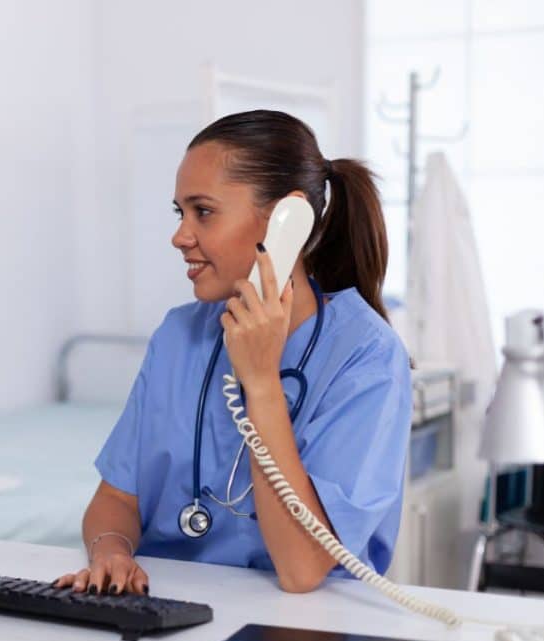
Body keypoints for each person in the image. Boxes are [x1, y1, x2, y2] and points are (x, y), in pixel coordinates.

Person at [54, 110, 412, 596]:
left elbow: (301, 569)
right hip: (166, 611)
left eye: (203, 211)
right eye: (180, 213)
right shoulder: (180, 336)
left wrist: (261, 381)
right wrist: (111, 551)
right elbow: (116, 498)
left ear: (288, 219)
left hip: (301, 631)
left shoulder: (365, 355)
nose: (180, 236)